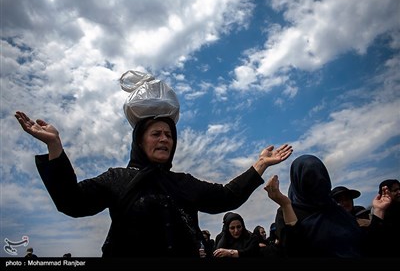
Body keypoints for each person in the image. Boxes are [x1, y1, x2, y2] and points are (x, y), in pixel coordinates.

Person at [14, 111, 293, 257]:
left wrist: (260, 165)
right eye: (156, 133)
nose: (164, 139)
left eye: (169, 135)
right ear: (139, 140)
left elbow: (226, 197)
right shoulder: (117, 179)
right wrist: (55, 146)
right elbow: (71, 203)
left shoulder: (183, 183)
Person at [264, 154, 392, 258]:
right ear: (299, 181)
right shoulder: (287, 212)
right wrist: (286, 206)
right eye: (309, 180)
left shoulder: (337, 211)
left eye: (321, 178)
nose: (317, 184)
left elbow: (370, 246)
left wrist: (379, 212)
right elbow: (293, 251)